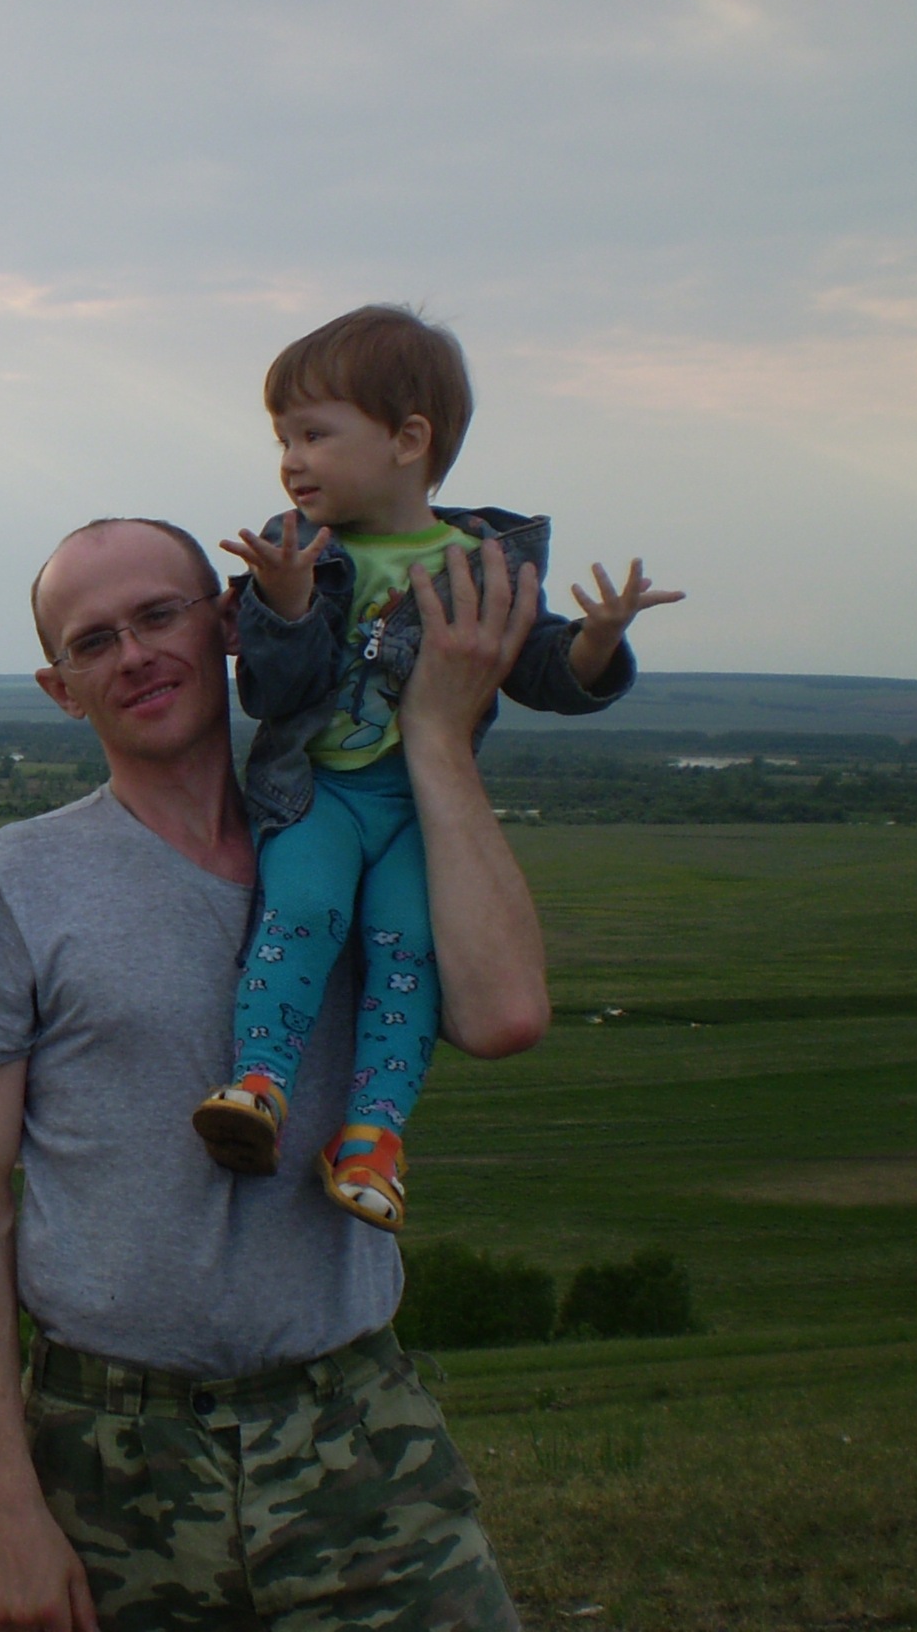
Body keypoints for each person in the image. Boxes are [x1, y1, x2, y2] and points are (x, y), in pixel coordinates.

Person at [0, 514, 550, 1631]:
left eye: (158, 616)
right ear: (60, 689)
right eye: (93, 641)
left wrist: (438, 739)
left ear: (228, 621)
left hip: (355, 1430)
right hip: (108, 1455)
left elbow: (505, 1016)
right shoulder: (10, 883)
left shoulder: (360, 846)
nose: (134, 655)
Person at [196, 305, 680, 1228]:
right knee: (303, 912)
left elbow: (539, 671)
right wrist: (283, 606)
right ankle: (258, 1084)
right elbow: (274, 692)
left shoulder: (484, 563)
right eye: (281, 438)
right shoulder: (300, 554)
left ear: (408, 440)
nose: (291, 460)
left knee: (407, 952)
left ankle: (373, 1139)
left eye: (314, 434)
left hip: (418, 807)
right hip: (319, 793)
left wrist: (596, 641)